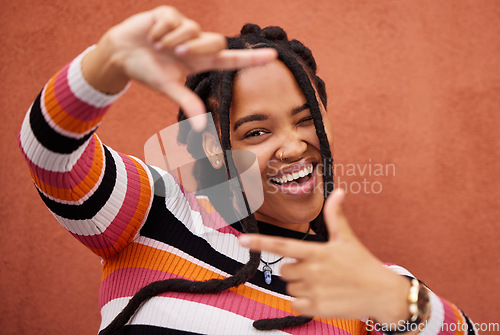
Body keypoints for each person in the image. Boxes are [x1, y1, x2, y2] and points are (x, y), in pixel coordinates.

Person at [18, 6, 476, 335]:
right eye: (256, 132)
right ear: (212, 151)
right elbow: (53, 157)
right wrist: (106, 64)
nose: (295, 145)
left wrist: (399, 302)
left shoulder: (366, 281)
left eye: (306, 119)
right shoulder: (156, 217)